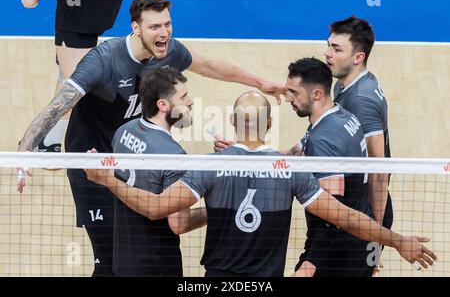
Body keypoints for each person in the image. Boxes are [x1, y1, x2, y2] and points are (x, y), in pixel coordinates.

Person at [16, 0, 285, 276]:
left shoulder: (168, 51)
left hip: (130, 156)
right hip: (91, 164)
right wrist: (24, 151)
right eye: (155, 27)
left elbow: (207, 66)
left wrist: (260, 82)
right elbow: (58, 106)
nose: (164, 33)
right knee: (108, 258)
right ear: (136, 28)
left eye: (167, 24)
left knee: (134, 250)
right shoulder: (104, 60)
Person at [85, 91, 437, 277]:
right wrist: (396, 240)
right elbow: (346, 217)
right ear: (269, 125)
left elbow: (153, 208)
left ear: (233, 122)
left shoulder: (207, 168)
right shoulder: (291, 171)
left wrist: (107, 180)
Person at [102, 67, 206, 276]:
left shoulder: (123, 131)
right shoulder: (173, 156)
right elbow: (179, 223)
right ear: (163, 105)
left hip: (123, 259)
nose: (191, 101)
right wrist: (216, 211)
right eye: (183, 97)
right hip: (157, 266)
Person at [283, 57, 375, 277]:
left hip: (337, 254)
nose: (288, 98)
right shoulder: (340, 116)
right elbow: (296, 152)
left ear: (316, 94)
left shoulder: (323, 139)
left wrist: (310, 264)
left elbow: (331, 217)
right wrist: (247, 153)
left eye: (294, 93)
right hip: (361, 239)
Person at [21, 0, 128, 152]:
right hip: (81, 15)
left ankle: (46, 142)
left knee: (70, 84)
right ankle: (43, 141)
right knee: (78, 90)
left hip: (89, 10)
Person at [324, 16, 393, 271]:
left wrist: (375, 236)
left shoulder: (361, 100)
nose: (327, 53)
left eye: (336, 49)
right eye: (329, 45)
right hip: (357, 208)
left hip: (367, 214)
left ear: (358, 57)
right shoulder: (346, 83)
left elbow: (379, 172)